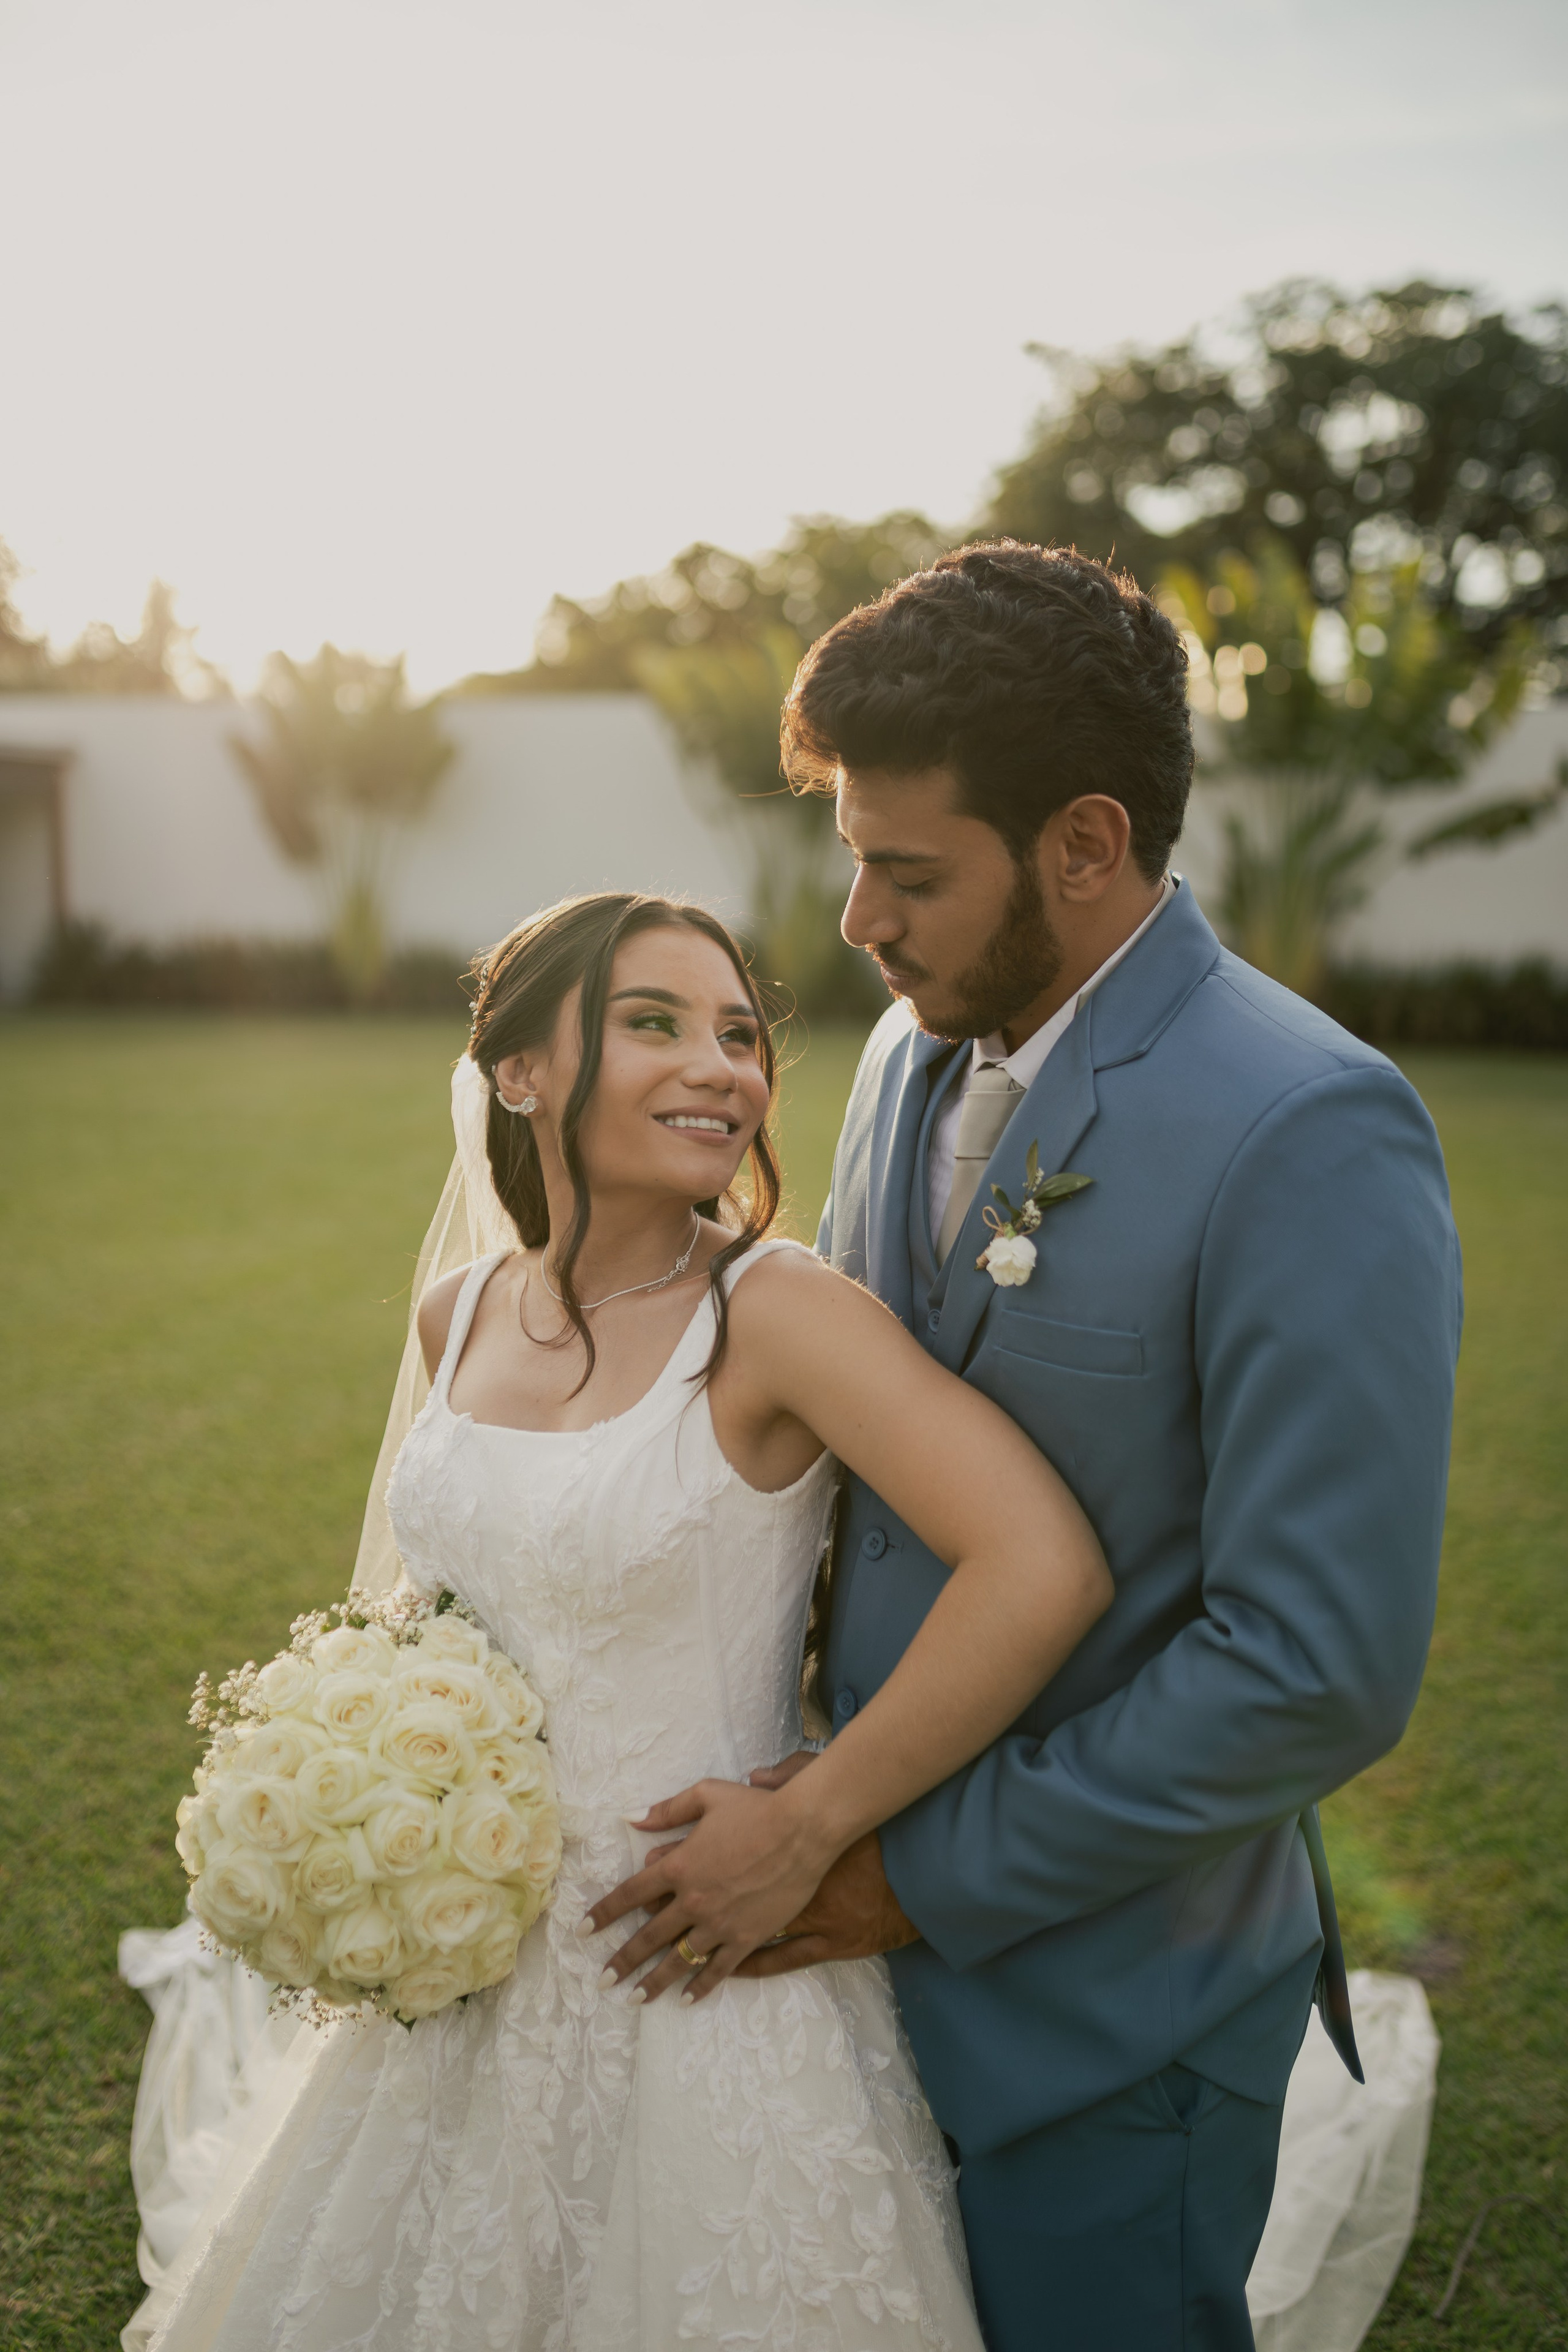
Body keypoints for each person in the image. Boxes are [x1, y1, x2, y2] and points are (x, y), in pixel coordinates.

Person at [589, 543, 1463, 2351]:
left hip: (1111, 2015)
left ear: (1087, 841)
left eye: (906, 874)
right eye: (852, 860)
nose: (855, 925)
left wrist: (894, 1876)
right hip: (839, 1966)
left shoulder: (1311, 1130)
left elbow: (1314, 1671)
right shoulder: (926, 1049)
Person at [124, 889, 1110, 2352]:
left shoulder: (774, 1314)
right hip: (466, 1940)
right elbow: (430, 1615)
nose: (719, 1066)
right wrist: (371, 1791)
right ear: (516, 1071)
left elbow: (1040, 1565)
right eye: (653, 1024)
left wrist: (811, 1821)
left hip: (701, 1943)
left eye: (737, 1034)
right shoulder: (455, 1314)